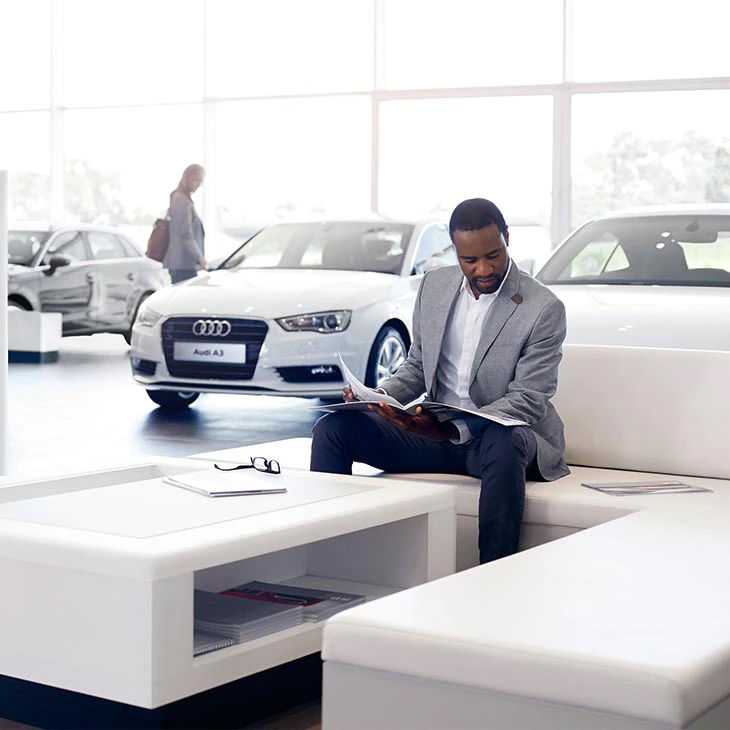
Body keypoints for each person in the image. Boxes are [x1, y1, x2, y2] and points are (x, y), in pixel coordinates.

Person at [310, 198, 570, 564]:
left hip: (493, 441)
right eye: (470, 260)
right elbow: (417, 365)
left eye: (493, 255)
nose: (483, 268)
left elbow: (529, 398)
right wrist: (380, 396)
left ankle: (493, 572)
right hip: (436, 434)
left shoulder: (542, 307)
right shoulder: (434, 286)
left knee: (505, 437)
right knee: (333, 428)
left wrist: (454, 428)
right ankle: (323, 557)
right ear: (455, 251)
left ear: (507, 238)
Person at [164, 163, 207, 284]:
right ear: (187, 178)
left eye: (200, 182)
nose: (198, 185)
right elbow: (186, 235)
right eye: (196, 180)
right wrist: (200, 258)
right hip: (183, 264)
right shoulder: (182, 201)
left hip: (184, 264)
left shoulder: (182, 199)